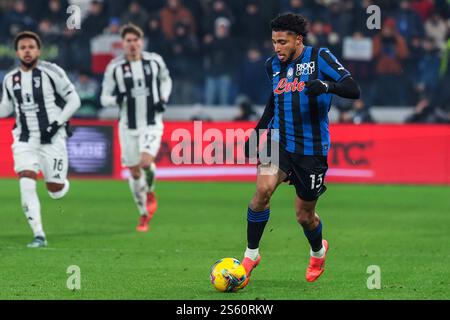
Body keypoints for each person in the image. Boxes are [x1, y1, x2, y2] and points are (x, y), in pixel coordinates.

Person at [241, 13, 360, 287]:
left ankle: (318, 252)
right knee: (261, 192)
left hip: (311, 149)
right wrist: (257, 133)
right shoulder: (272, 65)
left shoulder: (320, 57)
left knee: (304, 216)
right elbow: (274, 101)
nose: (277, 48)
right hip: (279, 141)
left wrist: (327, 86)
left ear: (298, 40)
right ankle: (251, 255)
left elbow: (352, 88)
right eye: (273, 42)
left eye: (282, 42)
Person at [0, 31, 81, 247]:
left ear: (38, 50)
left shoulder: (51, 72)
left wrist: (57, 124)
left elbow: (74, 100)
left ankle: (61, 183)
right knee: (26, 180)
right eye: (22, 47)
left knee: (55, 190)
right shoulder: (10, 79)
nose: (27, 51)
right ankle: (39, 234)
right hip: (24, 138)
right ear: (17, 52)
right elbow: (6, 107)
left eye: (31, 47)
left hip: (52, 137)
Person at [100, 24, 172, 232]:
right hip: (127, 126)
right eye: (128, 41)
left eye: (135, 40)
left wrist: (163, 98)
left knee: (145, 161)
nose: (132, 44)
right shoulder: (115, 67)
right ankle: (143, 213)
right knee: (133, 171)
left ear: (141, 41)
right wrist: (116, 98)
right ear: (123, 44)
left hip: (151, 122)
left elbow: (166, 80)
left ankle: (150, 191)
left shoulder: (154, 61)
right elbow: (104, 98)